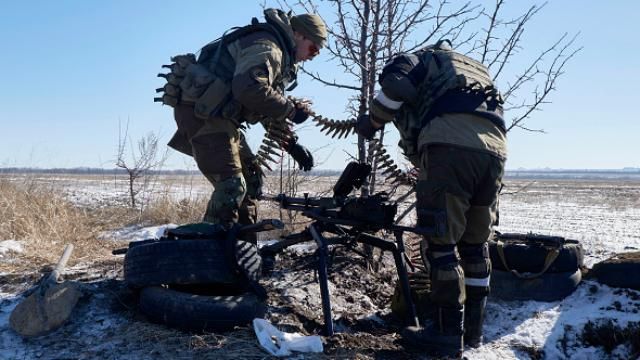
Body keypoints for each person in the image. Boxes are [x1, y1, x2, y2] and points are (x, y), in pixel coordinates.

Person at [356, 39, 507, 357]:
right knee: (475, 246)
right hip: (494, 153)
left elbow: (395, 86)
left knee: (441, 243)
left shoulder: (420, 59)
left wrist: (371, 121)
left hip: (449, 148)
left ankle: (445, 331)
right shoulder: (475, 69)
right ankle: (473, 332)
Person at [159, 9, 327, 240]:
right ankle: (205, 256)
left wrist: (291, 144)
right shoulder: (268, 47)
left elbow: (263, 104)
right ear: (298, 34)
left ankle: (243, 256)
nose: (313, 55)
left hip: (220, 117)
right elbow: (249, 88)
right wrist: (290, 110)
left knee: (250, 183)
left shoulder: (279, 54)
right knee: (231, 186)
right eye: (313, 48)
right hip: (202, 114)